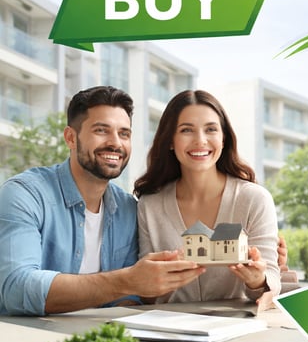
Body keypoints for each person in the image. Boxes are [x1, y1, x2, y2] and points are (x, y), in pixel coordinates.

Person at [0, 86, 204, 316]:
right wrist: (126, 281)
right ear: (70, 138)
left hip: (100, 341)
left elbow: (128, 297)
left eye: (124, 133)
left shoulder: (128, 208)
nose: (115, 143)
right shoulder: (25, 194)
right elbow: (16, 288)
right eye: (101, 130)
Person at [133, 90, 281, 304]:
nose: (200, 141)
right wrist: (155, 283)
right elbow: (146, 296)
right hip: (169, 329)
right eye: (186, 130)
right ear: (170, 141)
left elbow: (271, 281)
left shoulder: (254, 199)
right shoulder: (149, 205)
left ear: (223, 139)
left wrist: (257, 280)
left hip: (237, 327)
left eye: (211, 129)